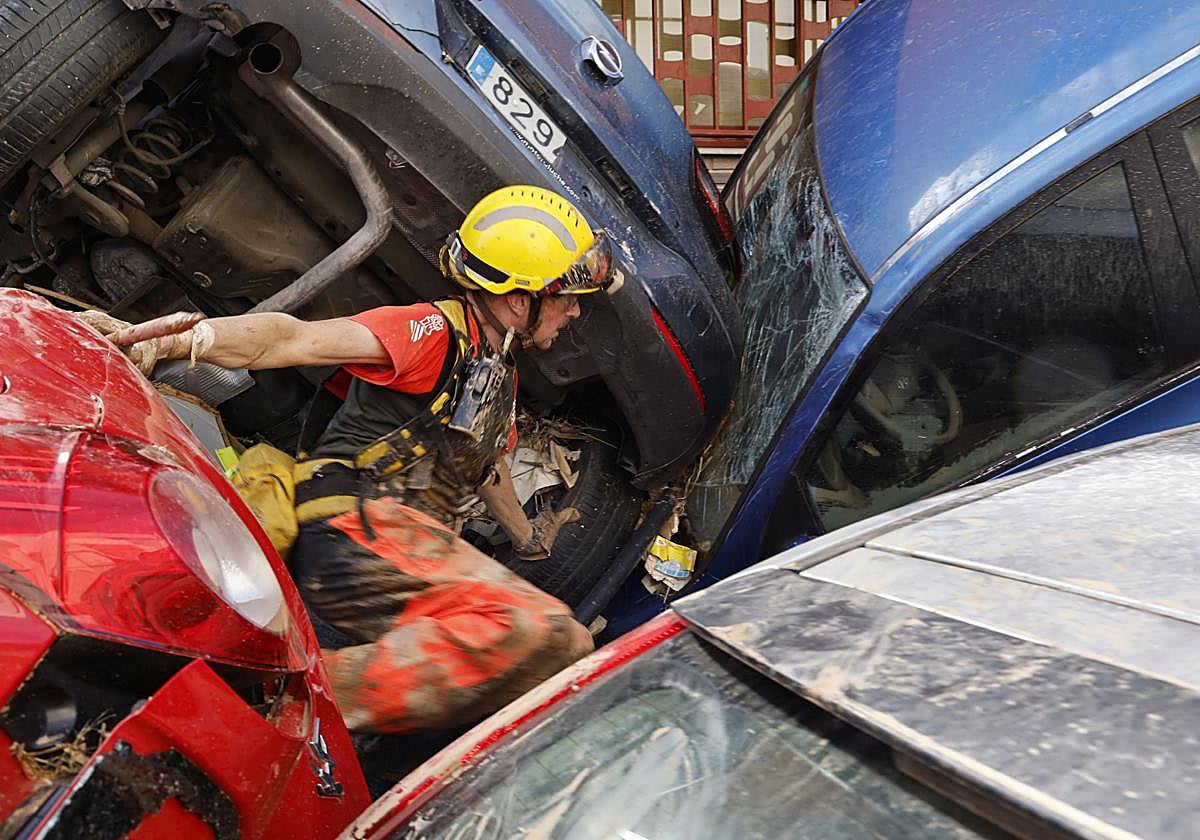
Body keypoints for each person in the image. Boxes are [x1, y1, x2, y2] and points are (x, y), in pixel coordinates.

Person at [87, 185, 613, 733]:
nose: (575, 311)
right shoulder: (431, 332)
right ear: (518, 299)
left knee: (560, 648)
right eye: (567, 297)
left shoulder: (496, 370)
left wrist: (527, 541)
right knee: (540, 631)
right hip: (355, 523)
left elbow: (487, 469)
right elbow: (291, 340)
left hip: (400, 535)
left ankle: (295, 713)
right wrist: (178, 341)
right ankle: (270, 707)